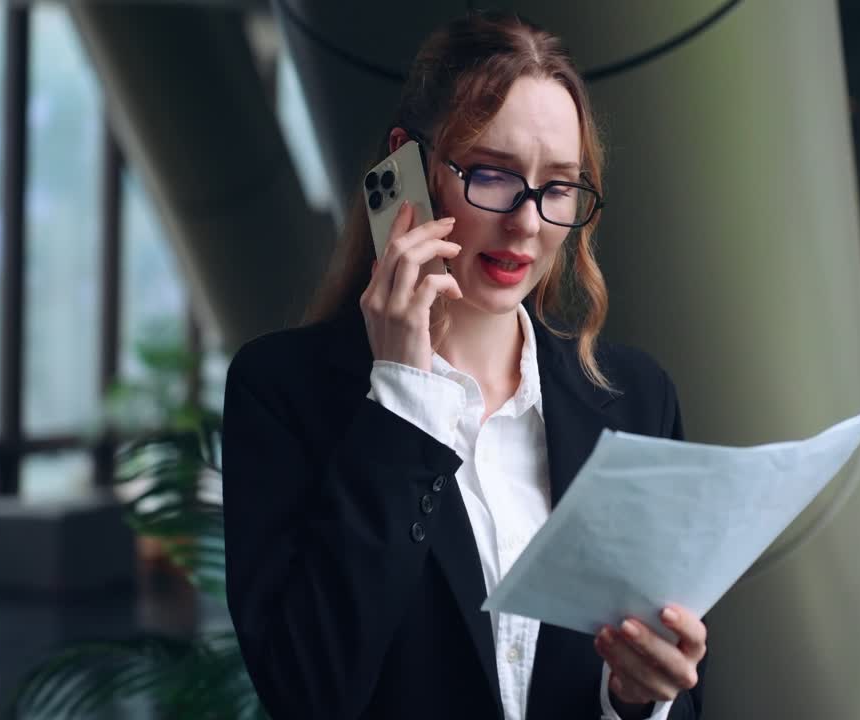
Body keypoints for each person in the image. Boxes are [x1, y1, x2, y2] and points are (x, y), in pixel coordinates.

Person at [222, 10, 706, 720]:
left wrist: (634, 699)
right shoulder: (283, 393)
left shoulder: (637, 401)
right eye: (492, 174)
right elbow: (307, 691)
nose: (529, 223)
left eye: (560, 185)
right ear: (405, 170)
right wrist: (403, 399)